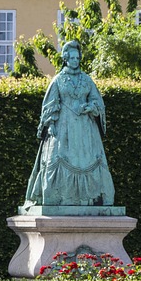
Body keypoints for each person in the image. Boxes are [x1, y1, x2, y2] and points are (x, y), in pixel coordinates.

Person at [22, 40, 115, 209]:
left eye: (77, 58)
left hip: (85, 130)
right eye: (71, 58)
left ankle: (88, 199)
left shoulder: (87, 80)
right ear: (65, 58)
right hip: (63, 128)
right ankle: (57, 198)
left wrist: (90, 107)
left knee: (90, 161)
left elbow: (98, 102)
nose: (75, 61)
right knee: (56, 160)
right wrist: (50, 124)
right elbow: (49, 105)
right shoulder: (58, 80)